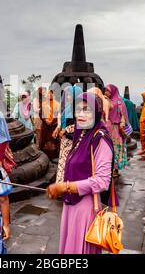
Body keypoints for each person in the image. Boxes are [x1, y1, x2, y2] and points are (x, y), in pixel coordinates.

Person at [46, 92, 114, 254]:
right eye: (78, 110)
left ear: (96, 113)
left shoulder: (100, 139)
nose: (81, 115)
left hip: (86, 208)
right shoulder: (81, 135)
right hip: (71, 204)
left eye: (86, 110)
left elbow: (102, 181)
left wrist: (65, 187)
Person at [52, 85, 83, 183]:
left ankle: (69, 187)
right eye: (67, 95)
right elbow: (60, 118)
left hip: (74, 140)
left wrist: (66, 130)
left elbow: (80, 124)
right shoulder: (66, 107)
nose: (68, 97)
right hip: (65, 140)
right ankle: (62, 186)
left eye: (70, 95)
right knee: (63, 163)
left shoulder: (80, 109)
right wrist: (58, 128)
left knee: (70, 163)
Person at [39, 88, 61, 160]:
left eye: (51, 93)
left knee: (54, 140)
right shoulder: (44, 103)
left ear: (53, 94)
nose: (50, 95)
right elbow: (41, 113)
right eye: (48, 93)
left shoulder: (57, 104)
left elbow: (58, 114)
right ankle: (45, 157)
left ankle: (54, 157)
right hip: (45, 127)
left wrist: (52, 121)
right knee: (45, 141)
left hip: (53, 127)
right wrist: (46, 120)